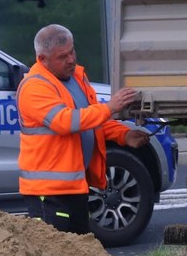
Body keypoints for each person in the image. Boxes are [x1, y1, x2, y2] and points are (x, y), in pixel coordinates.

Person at [16, 23, 150, 235]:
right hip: (48, 194)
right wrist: (109, 107)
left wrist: (123, 134)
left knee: (79, 255)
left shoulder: (78, 77)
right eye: (62, 56)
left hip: (76, 187)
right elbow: (66, 122)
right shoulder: (35, 86)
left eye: (72, 51)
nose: (71, 59)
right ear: (42, 59)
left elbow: (91, 121)